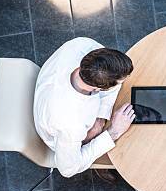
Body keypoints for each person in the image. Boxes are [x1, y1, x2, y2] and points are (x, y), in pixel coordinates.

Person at [33, 37, 135, 178]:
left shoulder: (81, 45)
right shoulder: (71, 124)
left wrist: (100, 120)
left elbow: (109, 84)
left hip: (47, 98)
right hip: (63, 139)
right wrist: (113, 132)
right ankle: (105, 164)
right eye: (121, 81)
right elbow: (68, 169)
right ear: (100, 88)